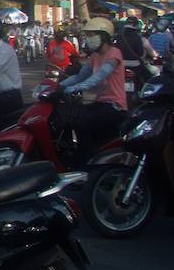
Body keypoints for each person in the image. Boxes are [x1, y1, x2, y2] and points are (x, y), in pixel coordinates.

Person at [58, 17, 128, 167]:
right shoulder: (95, 56)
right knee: (71, 119)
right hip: (100, 102)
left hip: (115, 106)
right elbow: (80, 76)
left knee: (83, 122)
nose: (88, 39)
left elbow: (99, 76)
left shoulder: (114, 54)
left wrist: (75, 88)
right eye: (87, 35)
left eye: (91, 35)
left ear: (103, 36)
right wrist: (59, 85)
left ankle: (86, 162)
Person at [117, 16, 159, 87]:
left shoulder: (119, 37)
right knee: (151, 76)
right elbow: (140, 53)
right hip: (136, 65)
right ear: (136, 26)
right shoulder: (138, 37)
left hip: (120, 65)